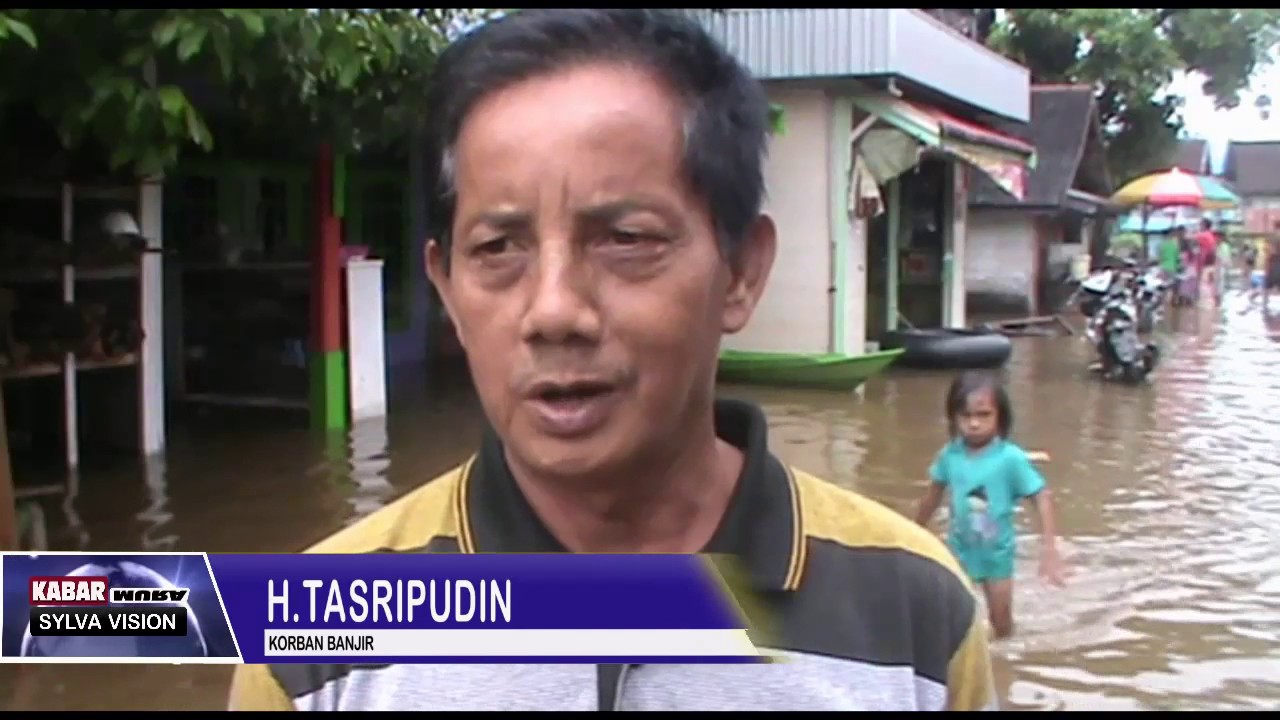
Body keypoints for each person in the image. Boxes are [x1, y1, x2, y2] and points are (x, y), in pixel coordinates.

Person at [229, 9, 997, 712]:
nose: (555, 311)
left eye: (625, 239)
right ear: (448, 291)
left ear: (741, 272)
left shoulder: (917, 614)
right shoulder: (309, 644)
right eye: (498, 249)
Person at [914, 371, 1066, 640]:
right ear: (954, 417)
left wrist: (1049, 546)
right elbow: (932, 497)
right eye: (966, 416)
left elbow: (1041, 496)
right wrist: (912, 533)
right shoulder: (950, 456)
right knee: (952, 619)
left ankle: (1004, 667)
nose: (974, 424)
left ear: (1000, 417)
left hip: (997, 556)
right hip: (959, 550)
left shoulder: (1010, 459)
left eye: (983, 415)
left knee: (1001, 623)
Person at [1195, 218, 1219, 306]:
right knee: (1210, 285)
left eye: (1200, 224)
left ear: (1204, 225)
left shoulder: (1203, 235)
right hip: (1210, 264)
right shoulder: (1211, 236)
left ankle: (1206, 308)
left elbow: (1192, 239)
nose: (1199, 226)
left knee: (1204, 288)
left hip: (1204, 264)